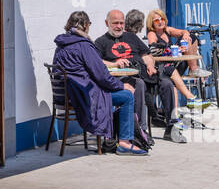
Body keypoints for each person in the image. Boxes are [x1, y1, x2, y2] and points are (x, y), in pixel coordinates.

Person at [51, 11, 145, 155]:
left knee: (112, 92)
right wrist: (121, 85)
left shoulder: (61, 45)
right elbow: (101, 75)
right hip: (83, 97)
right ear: (84, 25)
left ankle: (110, 137)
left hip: (67, 96)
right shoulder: (83, 45)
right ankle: (124, 142)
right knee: (126, 96)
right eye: (88, 24)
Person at [93, 10, 157, 147]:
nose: (119, 26)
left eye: (121, 23)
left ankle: (140, 130)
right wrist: (114, 63)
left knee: (140, 84)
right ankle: (118, 133)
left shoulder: (131, 37)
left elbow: (146, 54)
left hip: (134, 77)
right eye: (115, 23)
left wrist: (150, 64)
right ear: (107, 23)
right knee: (133, 88)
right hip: (114, 80)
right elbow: (96, 62)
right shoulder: (101, 42)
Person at [124, 9, 186, 142]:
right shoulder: (118, 39)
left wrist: (151, 65)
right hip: (133, 77)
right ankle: (143, 127)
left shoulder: (135, 39)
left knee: (167, 84)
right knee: (144, 84)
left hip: (147, 74)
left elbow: (148, 54)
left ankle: (171, 127)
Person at [142, 9, 210, 112]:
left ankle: (193, 68)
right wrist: (176, 50)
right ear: (152, 23)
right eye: (156, 20)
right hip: (163, 67)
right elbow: (154, 51)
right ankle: (183, 107)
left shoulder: (167, 30)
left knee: (191, 37)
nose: (160, 22)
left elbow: (183, 31)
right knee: (171, 82)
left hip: (174, 64)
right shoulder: (152, 34)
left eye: (162, 19)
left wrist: (186, 35)